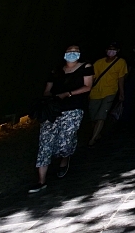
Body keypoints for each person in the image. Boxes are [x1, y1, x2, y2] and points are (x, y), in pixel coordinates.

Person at [30, 45, 93, 194]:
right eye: (69, 51)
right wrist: (48, 99)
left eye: (76, 51)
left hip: (73, 108)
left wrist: (68, 94)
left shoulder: (86, 67)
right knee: (45, 143)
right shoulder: (56, 69)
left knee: (65, 140)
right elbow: (47, 88)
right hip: (52, 110)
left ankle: (65, 158)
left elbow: (87, 86)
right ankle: (41, 181)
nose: (72, 54)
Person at [87, 42, 127, 146]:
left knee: (102, 115)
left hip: (110, 92)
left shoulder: (121, 62)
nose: (111, 51)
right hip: (95, 92)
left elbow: (121, 78)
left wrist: (121, 93)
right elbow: (92, 77)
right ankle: (97, 132)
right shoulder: (99, 62)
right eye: (110, 49)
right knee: (93, 115)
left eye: (114, 49)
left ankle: (93, 138)